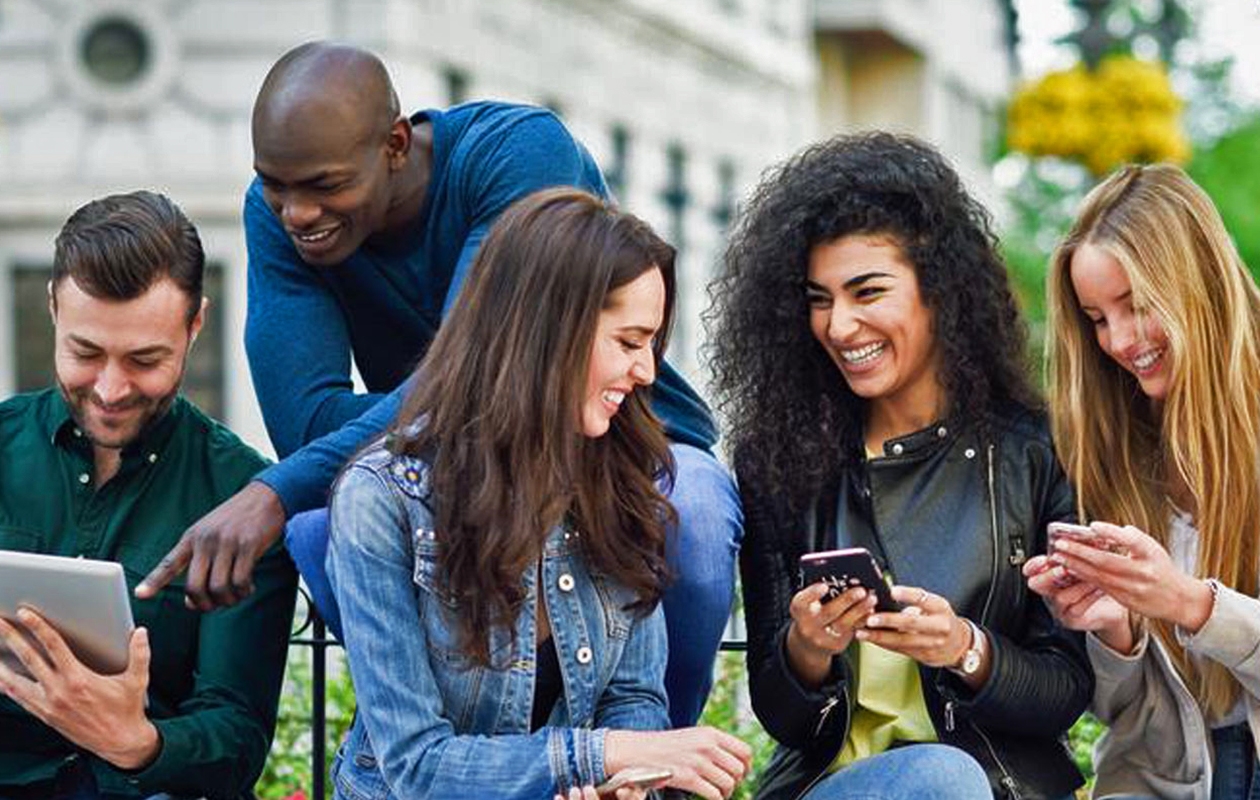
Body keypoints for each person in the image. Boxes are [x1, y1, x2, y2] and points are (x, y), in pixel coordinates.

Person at [136, 41, 739, 728]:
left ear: (395, 145)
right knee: (322, 525)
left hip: (619, 442)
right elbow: (309, 425)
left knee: (692, 509)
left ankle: (661, 762)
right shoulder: (279, 215)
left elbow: (474, 372)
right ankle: (463, 756)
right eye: (275, 185)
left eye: (326, 185)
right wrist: (417, 424)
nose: (296, 213)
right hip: (454, 468)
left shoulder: (516, 154)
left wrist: (273, 489)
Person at [324, 186, 751, 800]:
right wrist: (600, 755)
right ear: (551, 332)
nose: (648, 372)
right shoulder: (383, 500)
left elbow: (634, 698)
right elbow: (416, 767)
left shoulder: (622, 477)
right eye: (630, 343)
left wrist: (623, 784)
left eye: (651, 345)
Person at [707, 131, 1093, 800]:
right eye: (819, 299)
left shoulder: (1036, 451)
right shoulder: (780, 459)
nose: (839, 325)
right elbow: (784, 717)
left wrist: (965, 648)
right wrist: (808, 648)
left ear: (938, 289)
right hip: (836, 786)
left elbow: (1064, 689)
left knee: (948, 777)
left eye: (867, 292)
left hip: (997, 787)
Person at [0, 191, 296, 800]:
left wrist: (134, 742)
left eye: (144, 359)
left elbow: (237, 737)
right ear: (54, 309)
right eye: (86, 353)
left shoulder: (240, 498)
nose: (111, 389)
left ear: (195, 325)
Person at [1023, 163, 1260, 800]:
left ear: (1198, 283)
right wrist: (1113, 629)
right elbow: (1124, 713)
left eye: (1139, 306)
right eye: (1097, 318)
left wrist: (1189, 604)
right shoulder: (1106, 446)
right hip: (1166, 777)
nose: (1121, 342)